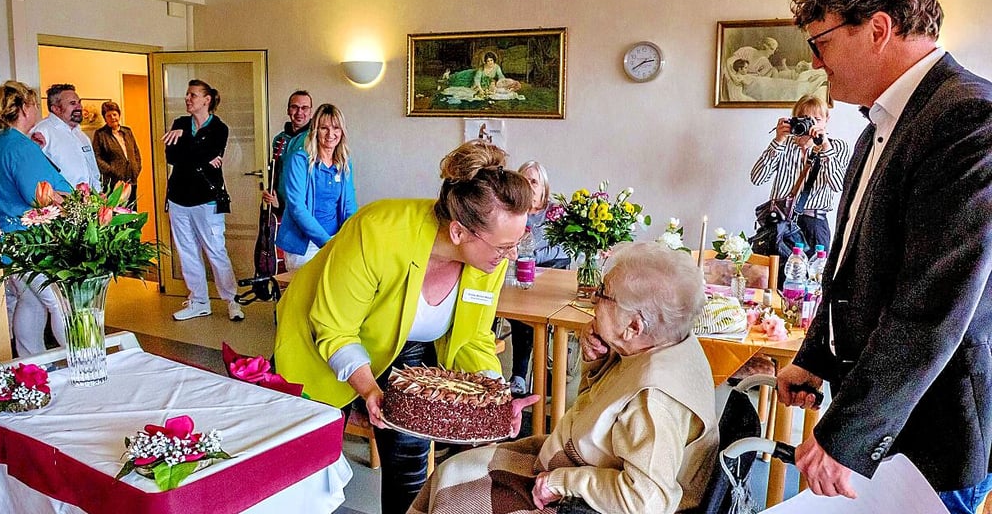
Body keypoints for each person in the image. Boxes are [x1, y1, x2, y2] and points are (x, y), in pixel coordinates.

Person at [775, 0, 992, 514]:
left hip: (931, 433)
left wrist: (847, 432)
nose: (816, 63)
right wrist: (815, 355)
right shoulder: (885, 121)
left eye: (819, 42)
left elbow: (932, 304)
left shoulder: (970, 117)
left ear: (877, 28)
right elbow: (851, 264)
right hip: (888, 421)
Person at [275, 140, 533, 514]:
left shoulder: (490, 261)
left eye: (515, 244)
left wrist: (494, 398)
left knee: (410, 459)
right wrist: (367, 389)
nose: (511, 255)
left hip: (405, 342)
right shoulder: (378, 230)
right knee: (308, 468)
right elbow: (334, 328)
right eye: (504, 247)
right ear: (459, 232)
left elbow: (474, 338)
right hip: (319, 339)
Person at [409, 241, 718, 514]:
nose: (593, 304)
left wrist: (561, 481)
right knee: (451, 471)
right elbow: (602, 415)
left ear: (634, 327)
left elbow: (645, 500)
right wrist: (597, 363)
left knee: (455, 498)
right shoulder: (662, 345)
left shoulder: (656, 401)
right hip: (581, 463)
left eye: (602, 295)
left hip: (587, 501)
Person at [0, 81, 72, 355]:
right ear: (24, 108)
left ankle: (31, 365)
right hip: (30, 241)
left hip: (8, 241)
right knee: (61, 303)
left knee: (31, 302)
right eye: (34, 103)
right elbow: (39, 195)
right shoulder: (20, 147)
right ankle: (79, 361)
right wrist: (74, 201)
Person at [164, 79, 244, 322]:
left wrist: (187, 143)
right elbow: (172, 156)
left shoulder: (219, 128)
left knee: (216, 250)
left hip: (207, 199)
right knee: (187, 251)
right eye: (187, 95)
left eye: (193, 95)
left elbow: (208, 154)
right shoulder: (179, 123)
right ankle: (198, 300)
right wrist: (196, 151)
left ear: (206, 100)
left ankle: (232, 300)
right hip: (179, 198)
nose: (188, 99)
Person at [750, 94, 850, 257]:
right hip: (778, 224)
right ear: (794, 120)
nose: (810, 125)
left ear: (826, 120)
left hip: (813, 226)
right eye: (804, 119)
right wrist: (778, 141)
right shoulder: (784, 144)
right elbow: (757, 178)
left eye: (816, 119)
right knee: (773, 277)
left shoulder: (836, 147)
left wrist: (825, 147)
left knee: (811, 278)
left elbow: (838, 185)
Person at [506, 160, 570, 396]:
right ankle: (521, 376)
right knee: (520, 315)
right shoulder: (512, 211)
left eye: (533, 181)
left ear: (544, 187)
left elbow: (564, 248)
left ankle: (538, 372)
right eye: (523, 181)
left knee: (536, 316)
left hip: (550, 276)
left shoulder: (555, 212)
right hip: (518, 277)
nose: (529, 186)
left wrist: (532, 255)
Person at [274, 103, 358, 270]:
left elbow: (349, 206)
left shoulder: (344, 162)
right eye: (324, 128)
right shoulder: (300, 160)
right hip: (304, 244)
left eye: (336, 128)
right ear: (314, 130)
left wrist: (352, 236)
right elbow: (297, 207)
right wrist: (325, 242)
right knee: (305, 295)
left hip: (335, 239)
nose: (331, 134)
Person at [29, 83, 102, 192]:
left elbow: (93, 172)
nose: (79, 107)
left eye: (79, 102)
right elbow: (35, 174)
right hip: (62, 204)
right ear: (56, 109)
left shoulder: (81, 135)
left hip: (90, 203)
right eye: (73, 103)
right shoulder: (41, 132)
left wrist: (99, 193)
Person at [262, 89, 313, 217]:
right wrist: (270, 194)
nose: (299, 112)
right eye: (294, 107)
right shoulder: (279, 139)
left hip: (306, 208)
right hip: (279, 206)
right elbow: (274, 171)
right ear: (288, 110)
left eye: (304, 108)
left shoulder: (316, 138)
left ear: (310, 112)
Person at [91, 101, 141, 206]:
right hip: (113, 182)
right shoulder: (100, 134)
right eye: (109, 116)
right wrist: (112, 170)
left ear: (119, 115)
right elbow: (96, 157)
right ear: (105, 118)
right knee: (116, 212)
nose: (113, 117)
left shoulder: (127, 131)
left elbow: (136, 152)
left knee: (132, 211)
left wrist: (136, 168)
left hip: (131, 180)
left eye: (115, 114)